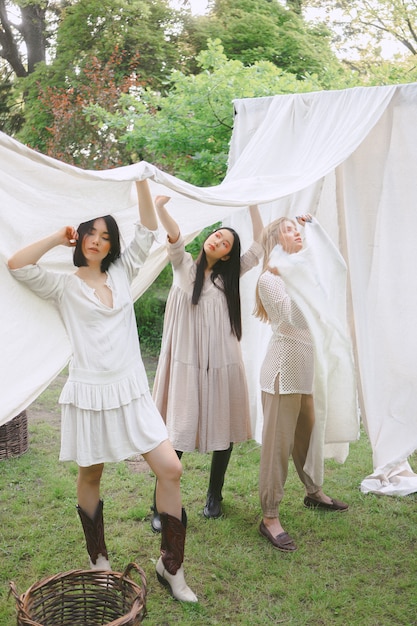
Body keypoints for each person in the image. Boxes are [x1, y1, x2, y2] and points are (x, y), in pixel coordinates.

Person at [7, 180, 197, 602]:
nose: (97, 240)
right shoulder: (62, 285)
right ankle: (99, 561)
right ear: (81, 238)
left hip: (131, 390)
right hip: (90, 392)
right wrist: (57, 237)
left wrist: (143, 181)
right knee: (91, 474)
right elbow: (17, 265)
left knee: (171, 469)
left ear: (112, 245)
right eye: (91, 233)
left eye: (106, 235)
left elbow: (148, 227)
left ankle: (171, 566)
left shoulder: (122, 271)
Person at [149, 196, 263, 531]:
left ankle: (215, 495)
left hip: (222, 360)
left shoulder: (230, 277)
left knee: (223, 423)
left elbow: (259, 245)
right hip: (186, 361)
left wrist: (253, 204)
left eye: (225, 241)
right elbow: (174, 236)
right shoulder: (184, 266)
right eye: (217, 235)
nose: (217, 239)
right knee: (177, 429)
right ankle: (160, 503)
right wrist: (161, 209)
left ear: (228, 254)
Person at [254, 214, 348, 553]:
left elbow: (333, 283)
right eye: (289, 230)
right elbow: (295, 316)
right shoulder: (270, 277)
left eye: (298, 229)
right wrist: (298, 276)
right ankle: (269, 516)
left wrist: (314, 239)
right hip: (282, 371)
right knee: (277, 450)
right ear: (276, 242)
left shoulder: (301, 272)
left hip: (306, 371)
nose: (297, 233)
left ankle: (313, 492)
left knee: (308, 439)